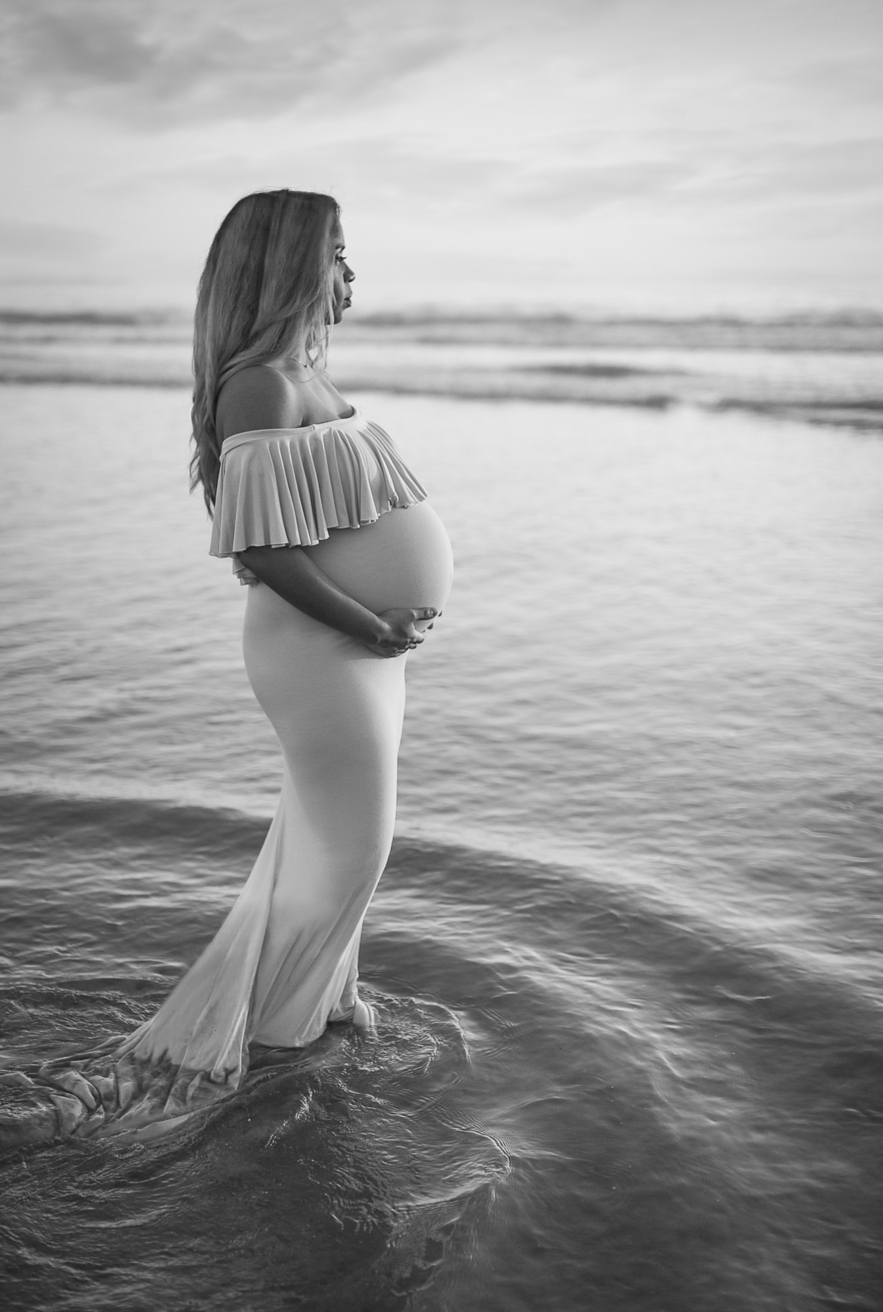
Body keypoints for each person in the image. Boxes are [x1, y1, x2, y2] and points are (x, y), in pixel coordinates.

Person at [22, 189, 454, 1137]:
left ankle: (304, 1014)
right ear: (287, 268)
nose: (351, 273)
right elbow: (261, 552)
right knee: (351, 850)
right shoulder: (259, 383)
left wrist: (382, 629)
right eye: (336, 253)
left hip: (358, 651)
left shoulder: (300, 377)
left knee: (326, 849)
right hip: (323, 652)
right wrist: (370, 625)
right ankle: (269, 1044)